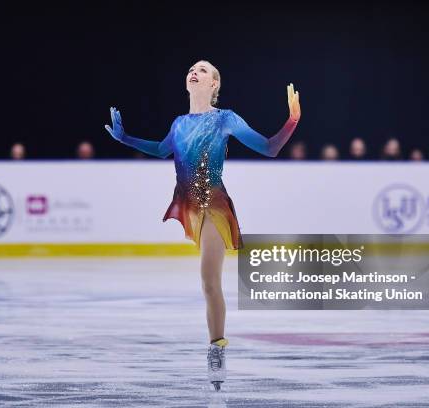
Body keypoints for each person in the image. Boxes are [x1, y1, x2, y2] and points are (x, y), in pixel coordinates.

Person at [105, 60, 301, 391]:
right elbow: (161, 150)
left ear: (214, 85)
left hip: (212, 204)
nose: (195, 71)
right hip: (190, 203)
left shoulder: (225, 119)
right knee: (206, 283)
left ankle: (216, 347)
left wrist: (292, 120)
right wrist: (125, 139)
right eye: (192, 69)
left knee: (209, 282)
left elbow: (270, 148)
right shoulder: (179, 123)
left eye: (204, 70)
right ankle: (216, 344)